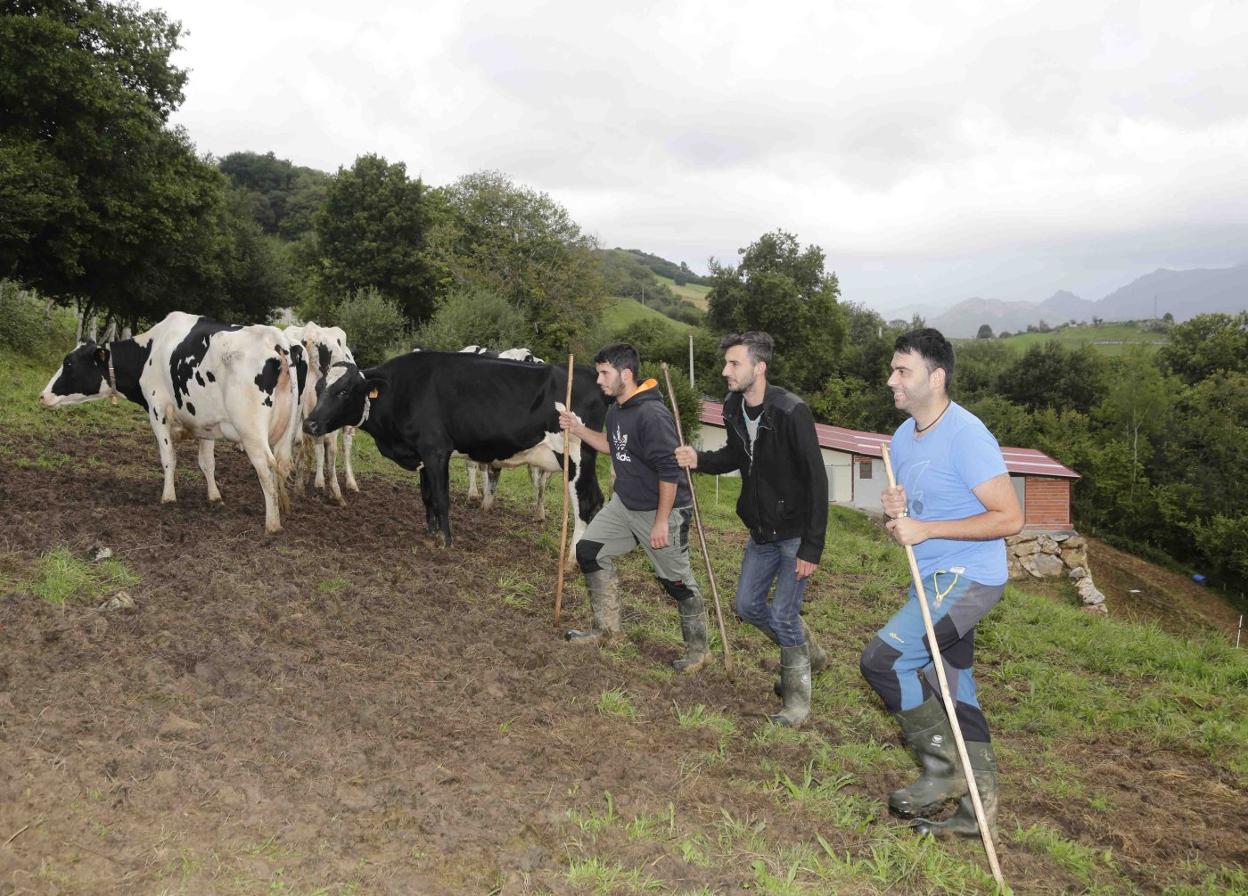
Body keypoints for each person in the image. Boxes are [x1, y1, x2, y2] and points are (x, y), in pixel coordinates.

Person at [859, 328, 1023, 838]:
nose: (891, 380)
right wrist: (899, 516)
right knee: (952, 687)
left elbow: (1009, 518)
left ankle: (942, 769)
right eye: (892, 369)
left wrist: (925, 527)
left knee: (884, 660)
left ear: (937, 376)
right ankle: (978, 814)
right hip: (929, 579)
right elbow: (916, 520)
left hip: (968, 578)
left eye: (901, 370)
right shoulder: (904, 439)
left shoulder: (968, 435)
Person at [674, 332, 828, 727]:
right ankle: (811, 654)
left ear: (759, 368)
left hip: (795, 534)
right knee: (746, 607)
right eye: (726, 363)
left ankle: (796, 702)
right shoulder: (733, 407)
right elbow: (734, 454)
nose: (726, 371)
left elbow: (816, 481)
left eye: (734, 364)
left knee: (782, 615)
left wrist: (812, 547)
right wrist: (699, 460)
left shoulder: (792, 412)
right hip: (760, 529)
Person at [558, 343, 710, 673]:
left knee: (677, 583)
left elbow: (670, 473)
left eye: (604, 373)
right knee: (588, 551)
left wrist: (659, 523)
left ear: (625, 374)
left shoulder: (653, 416)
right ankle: (606, 630)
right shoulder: (617, 410)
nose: (599, 380)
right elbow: (611, 447)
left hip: (663, 510)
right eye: (598, 372)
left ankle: (699, 651)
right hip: (625, 505)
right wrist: (577, 427)